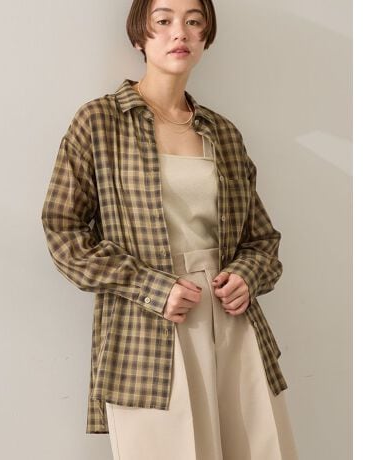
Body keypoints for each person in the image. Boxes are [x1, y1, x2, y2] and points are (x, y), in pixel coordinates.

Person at [41, 0, 299, 458]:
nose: (180, 32)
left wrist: (247, 276)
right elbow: (64, 232)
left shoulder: (223, 133)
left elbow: (262, 240)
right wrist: (151, 288)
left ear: (205, 37)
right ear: (139, 34)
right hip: (147, 330)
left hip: (234, 324)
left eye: (194, 22)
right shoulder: (100, 122)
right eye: (163, 20)